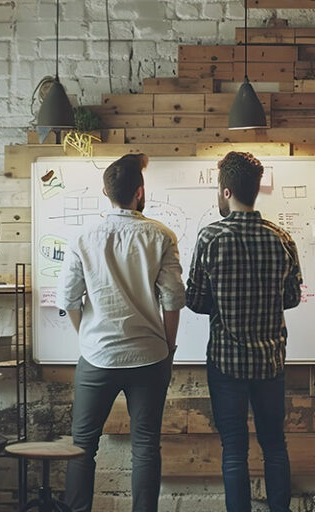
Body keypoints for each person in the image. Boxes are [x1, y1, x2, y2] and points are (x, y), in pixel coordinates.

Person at [56, 153, 185, 512]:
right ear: (140, 192)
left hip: (97, 356)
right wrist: (169, 346)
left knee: (82, 445)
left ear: (105, 192)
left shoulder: (83, 238)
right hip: (149, 357)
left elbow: (69, 299)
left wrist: (86, 337)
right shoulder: (161, 236)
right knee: (146, 446)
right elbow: (173, 299)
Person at [186, 152, 303, 512]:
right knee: (275, 446)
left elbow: (194, 300)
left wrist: (222, 306)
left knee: (234, 450)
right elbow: (292, 298)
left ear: (226, 191)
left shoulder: (210, 237)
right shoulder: (281, 238)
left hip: (226, 362)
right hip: (270, 361)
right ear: (254, 190)